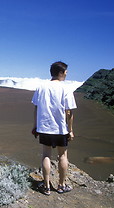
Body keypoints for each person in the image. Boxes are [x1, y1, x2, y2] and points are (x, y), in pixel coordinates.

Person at [31, 61, 77, 196]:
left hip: (44, 127)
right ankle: (61, 186)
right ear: (61, 73)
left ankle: (46, 187)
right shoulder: (66, 88)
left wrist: (35, 126)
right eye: (66, 72)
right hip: (61, 129)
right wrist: (71, 130)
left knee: (46, 155)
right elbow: (69, 112)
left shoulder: (41, 87)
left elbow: (36, 108)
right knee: (62, 155)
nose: (67, 74)